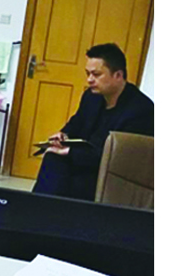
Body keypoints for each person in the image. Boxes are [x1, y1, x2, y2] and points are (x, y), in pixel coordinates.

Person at [33, 43, 154, 202]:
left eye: (96, 74)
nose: (89, 80)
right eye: (88, 73)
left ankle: (41, 209)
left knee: (63, 181)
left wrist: (69, 152)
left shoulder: (141, 110)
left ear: (118, 75)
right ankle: (38, 208)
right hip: (84, 160)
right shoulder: (92, 97)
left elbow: (120, 158)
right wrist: (63, 134)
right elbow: (76, 122)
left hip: (109, 173)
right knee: (53, 158)